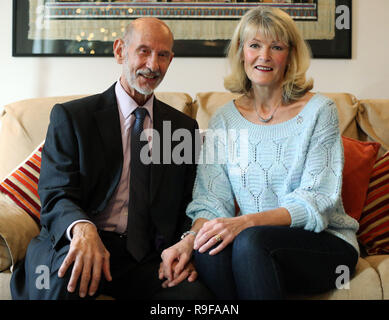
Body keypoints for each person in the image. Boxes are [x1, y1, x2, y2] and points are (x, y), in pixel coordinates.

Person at [160, 7, 360, 300]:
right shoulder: (224, 120)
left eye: (276, 47)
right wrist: (189, 240)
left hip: (323, 244)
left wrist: (244, 223)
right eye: (255, 45)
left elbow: (317, 200)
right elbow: (210, 202)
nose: (264, 56)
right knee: (208, 248)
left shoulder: (320, 111)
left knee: (249, 242)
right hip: (253, 248)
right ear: (242, 52)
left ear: (290, 56)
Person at [10, 17, 212, 300]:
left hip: (148, 256)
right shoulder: (73, 118)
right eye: (143, 51)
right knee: (64, 284)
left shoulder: (181, 128)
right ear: (120, 51)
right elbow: (56, 194)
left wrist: (182, 247)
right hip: (84, 242)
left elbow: (186, 205)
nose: (153, 65)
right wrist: (82, 228)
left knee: (195, 298)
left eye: (162, 55)